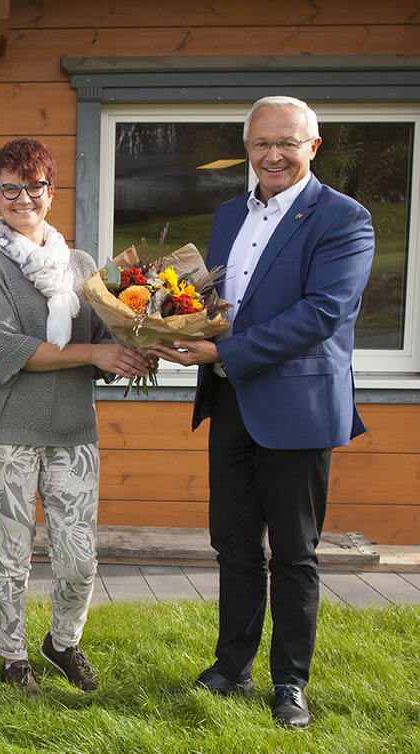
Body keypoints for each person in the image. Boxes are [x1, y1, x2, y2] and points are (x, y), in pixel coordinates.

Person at [150, 96, 375, 730]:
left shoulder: (345, 219)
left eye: (286, 143)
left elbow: (322, 314)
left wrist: (220, 349)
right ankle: (231, 666)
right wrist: (167, 326)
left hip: (297, 404)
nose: (272, 155)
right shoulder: (226, 215)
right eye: (259, 144)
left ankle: (290, 682)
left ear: (313, 145)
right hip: (230, 401)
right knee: (234, 543)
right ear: (246, 148)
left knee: (295, 552)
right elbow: (212, 300)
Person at [0, 138, 149, 695]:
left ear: (52, 190)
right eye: (10, 189)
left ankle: (62, 642)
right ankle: (13, 657)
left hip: (73, 431)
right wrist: (94, 353)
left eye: (34, 186)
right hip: (3, 433)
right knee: (12, 557)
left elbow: (99, 345)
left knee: (78, 560)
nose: (24, 198)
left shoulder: (82, 265)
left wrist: (141, 341)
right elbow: (3, 350)